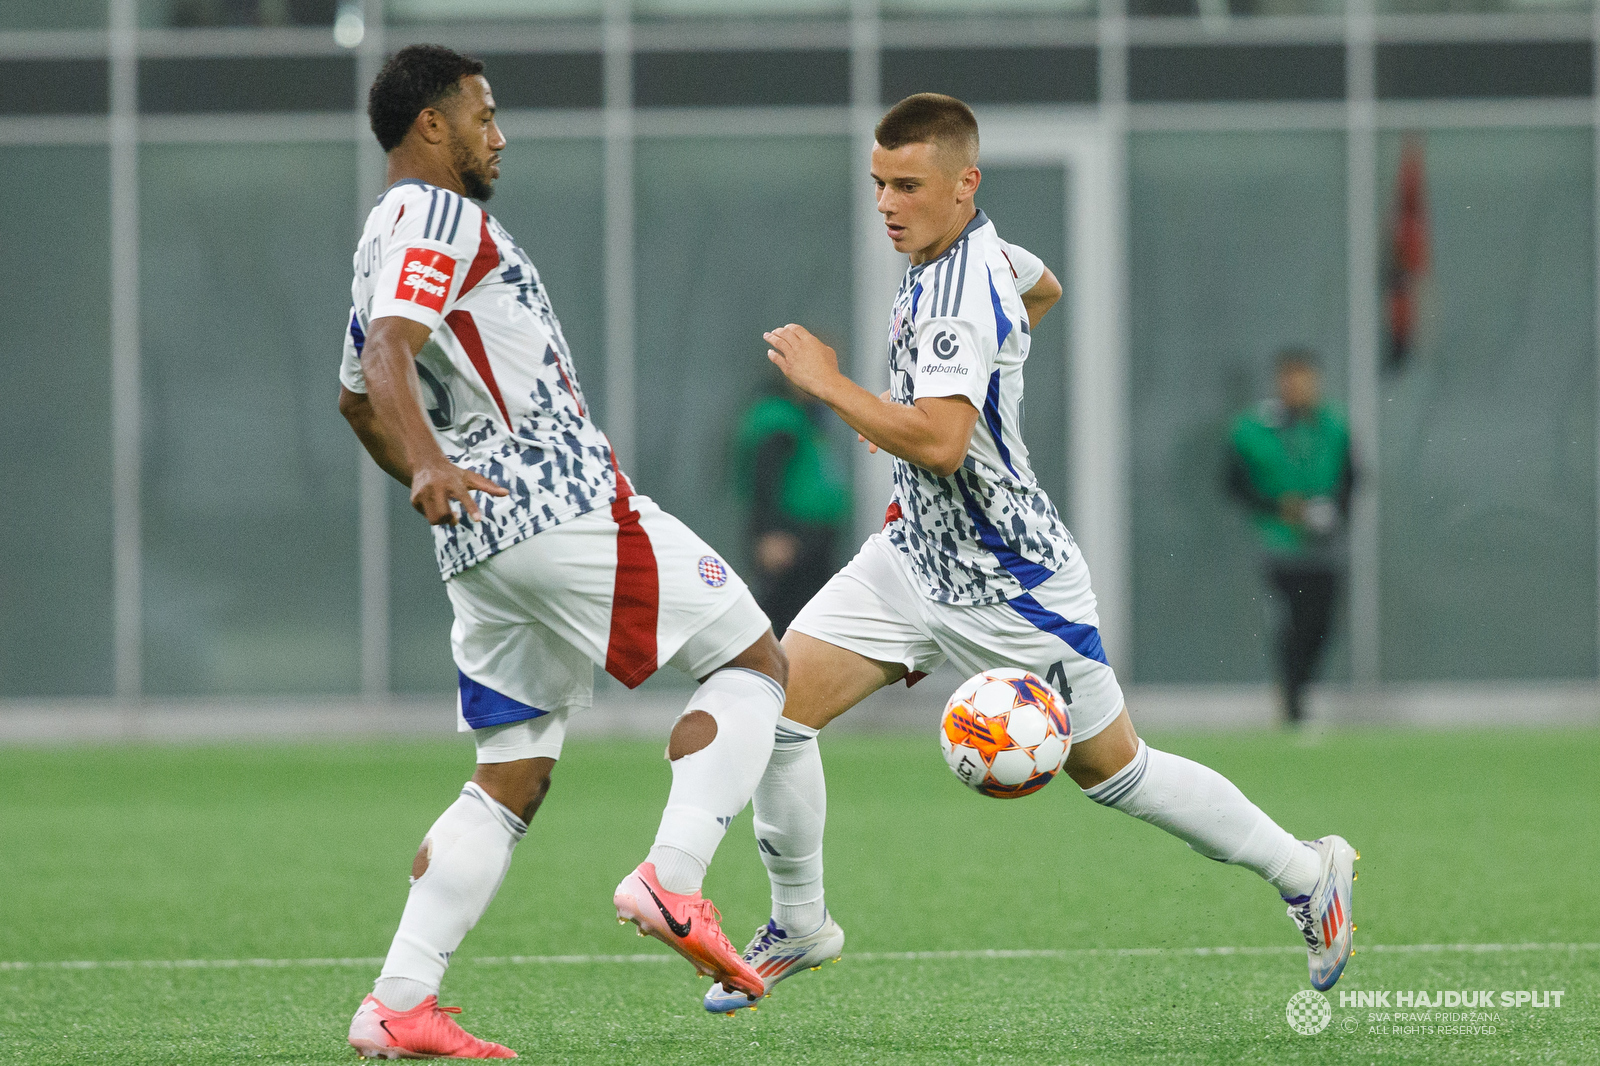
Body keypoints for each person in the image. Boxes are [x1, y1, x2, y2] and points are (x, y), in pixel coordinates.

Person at [702, 93, 1358, 1014]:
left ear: (965, 185)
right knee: (775, 707)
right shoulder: (973, 257)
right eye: (879, 185)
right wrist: (949, 396)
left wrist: (839, 387)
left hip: (1013, 587)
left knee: (1115, 772)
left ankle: (1308, 872)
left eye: (909, 186)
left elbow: (936, 441)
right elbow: (1043, 290)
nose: (888, 204)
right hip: (914, 558)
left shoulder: (960, 291)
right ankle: (802, 922)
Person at [336, 45, 785, 1059]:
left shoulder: (378, 236)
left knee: (511, 772)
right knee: (754, 658)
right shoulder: (440, 214)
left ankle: (398, 1003)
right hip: (557, 504)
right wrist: (428, 471)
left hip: (481, 540)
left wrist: (435, 480)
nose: (499, 136)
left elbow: (356, 399)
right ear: (432, 127)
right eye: (483, 116)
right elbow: (383, 359)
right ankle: (673, 874)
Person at [1226, 349, 1355, 725]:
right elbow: (1235, 484)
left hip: (1323, 548)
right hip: (1276, 546)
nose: (1296, 386)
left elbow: (1352, 480)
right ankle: (1294, 703)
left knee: (1321, 624)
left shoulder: (1334, 427)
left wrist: (1332, 514)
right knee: (1289, 624)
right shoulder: (1253, 428)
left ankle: (1303, 690)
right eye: (1289, 378)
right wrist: (1277, 508)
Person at [733, 374, 853, 635]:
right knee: (785, 623)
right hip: (790, 538)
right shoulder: (777, 418)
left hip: (811, 542)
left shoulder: (804, 415)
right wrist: (769, 534)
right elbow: (764, 480)